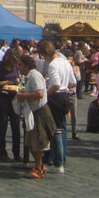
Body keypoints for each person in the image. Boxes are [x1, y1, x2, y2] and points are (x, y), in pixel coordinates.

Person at [15, 54, 55, 178]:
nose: (19, 67)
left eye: (20, 65)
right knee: (31, 141)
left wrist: (23, 96)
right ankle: (39, 165)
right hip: (33, 112)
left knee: (37, 141)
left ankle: (38, 167)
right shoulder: (29, 76)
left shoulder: (34, 75)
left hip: (40, 111)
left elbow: (39, 93)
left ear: (27, 65)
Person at [39, 40, 75, 174]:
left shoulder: (53, 65)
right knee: (62, 128)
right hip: (66, 96)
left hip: (56, 98)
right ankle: (62, 158)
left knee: (55, 131)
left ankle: (58, 162)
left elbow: (56, 85)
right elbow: (73, 82)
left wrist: (45, 95)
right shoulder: (65, 62)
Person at [0, 48, 21, 162]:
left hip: (14, 97)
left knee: (16, 126)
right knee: (3, 125)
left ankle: (16, 153)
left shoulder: (16, 67)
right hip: (2, 97)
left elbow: (19, 78)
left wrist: (17, 80)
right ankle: (3, 153)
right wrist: (6, 82)